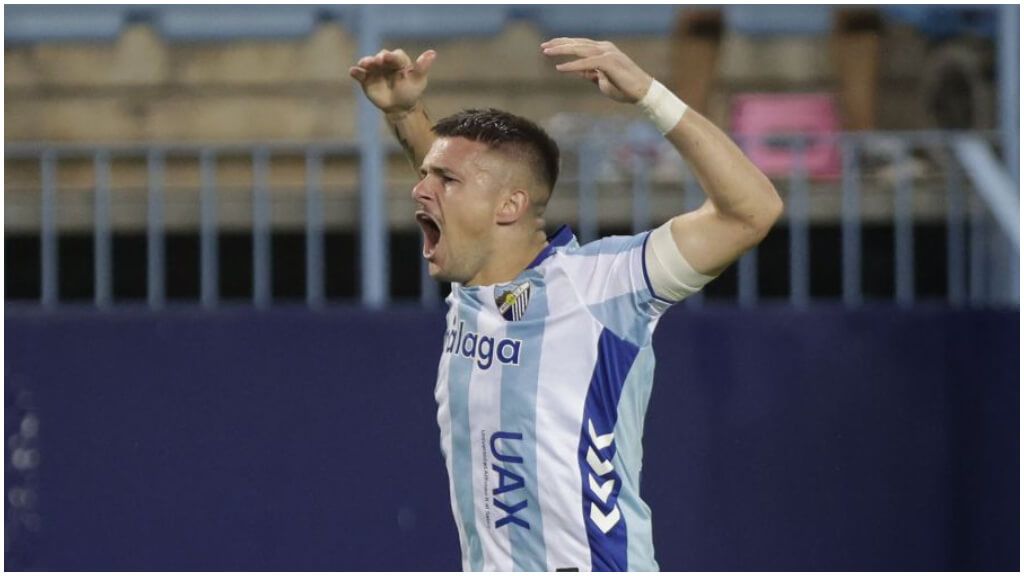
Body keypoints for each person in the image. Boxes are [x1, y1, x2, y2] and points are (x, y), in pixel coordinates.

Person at [350, 37, 782, 571]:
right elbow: (463, 197)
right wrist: (407, 113)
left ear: (511, 207)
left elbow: (752, 212)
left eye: (446, 180)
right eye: (428, 176)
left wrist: (650, 96)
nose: (421, 190)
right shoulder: (474, 274)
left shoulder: (604, 284)